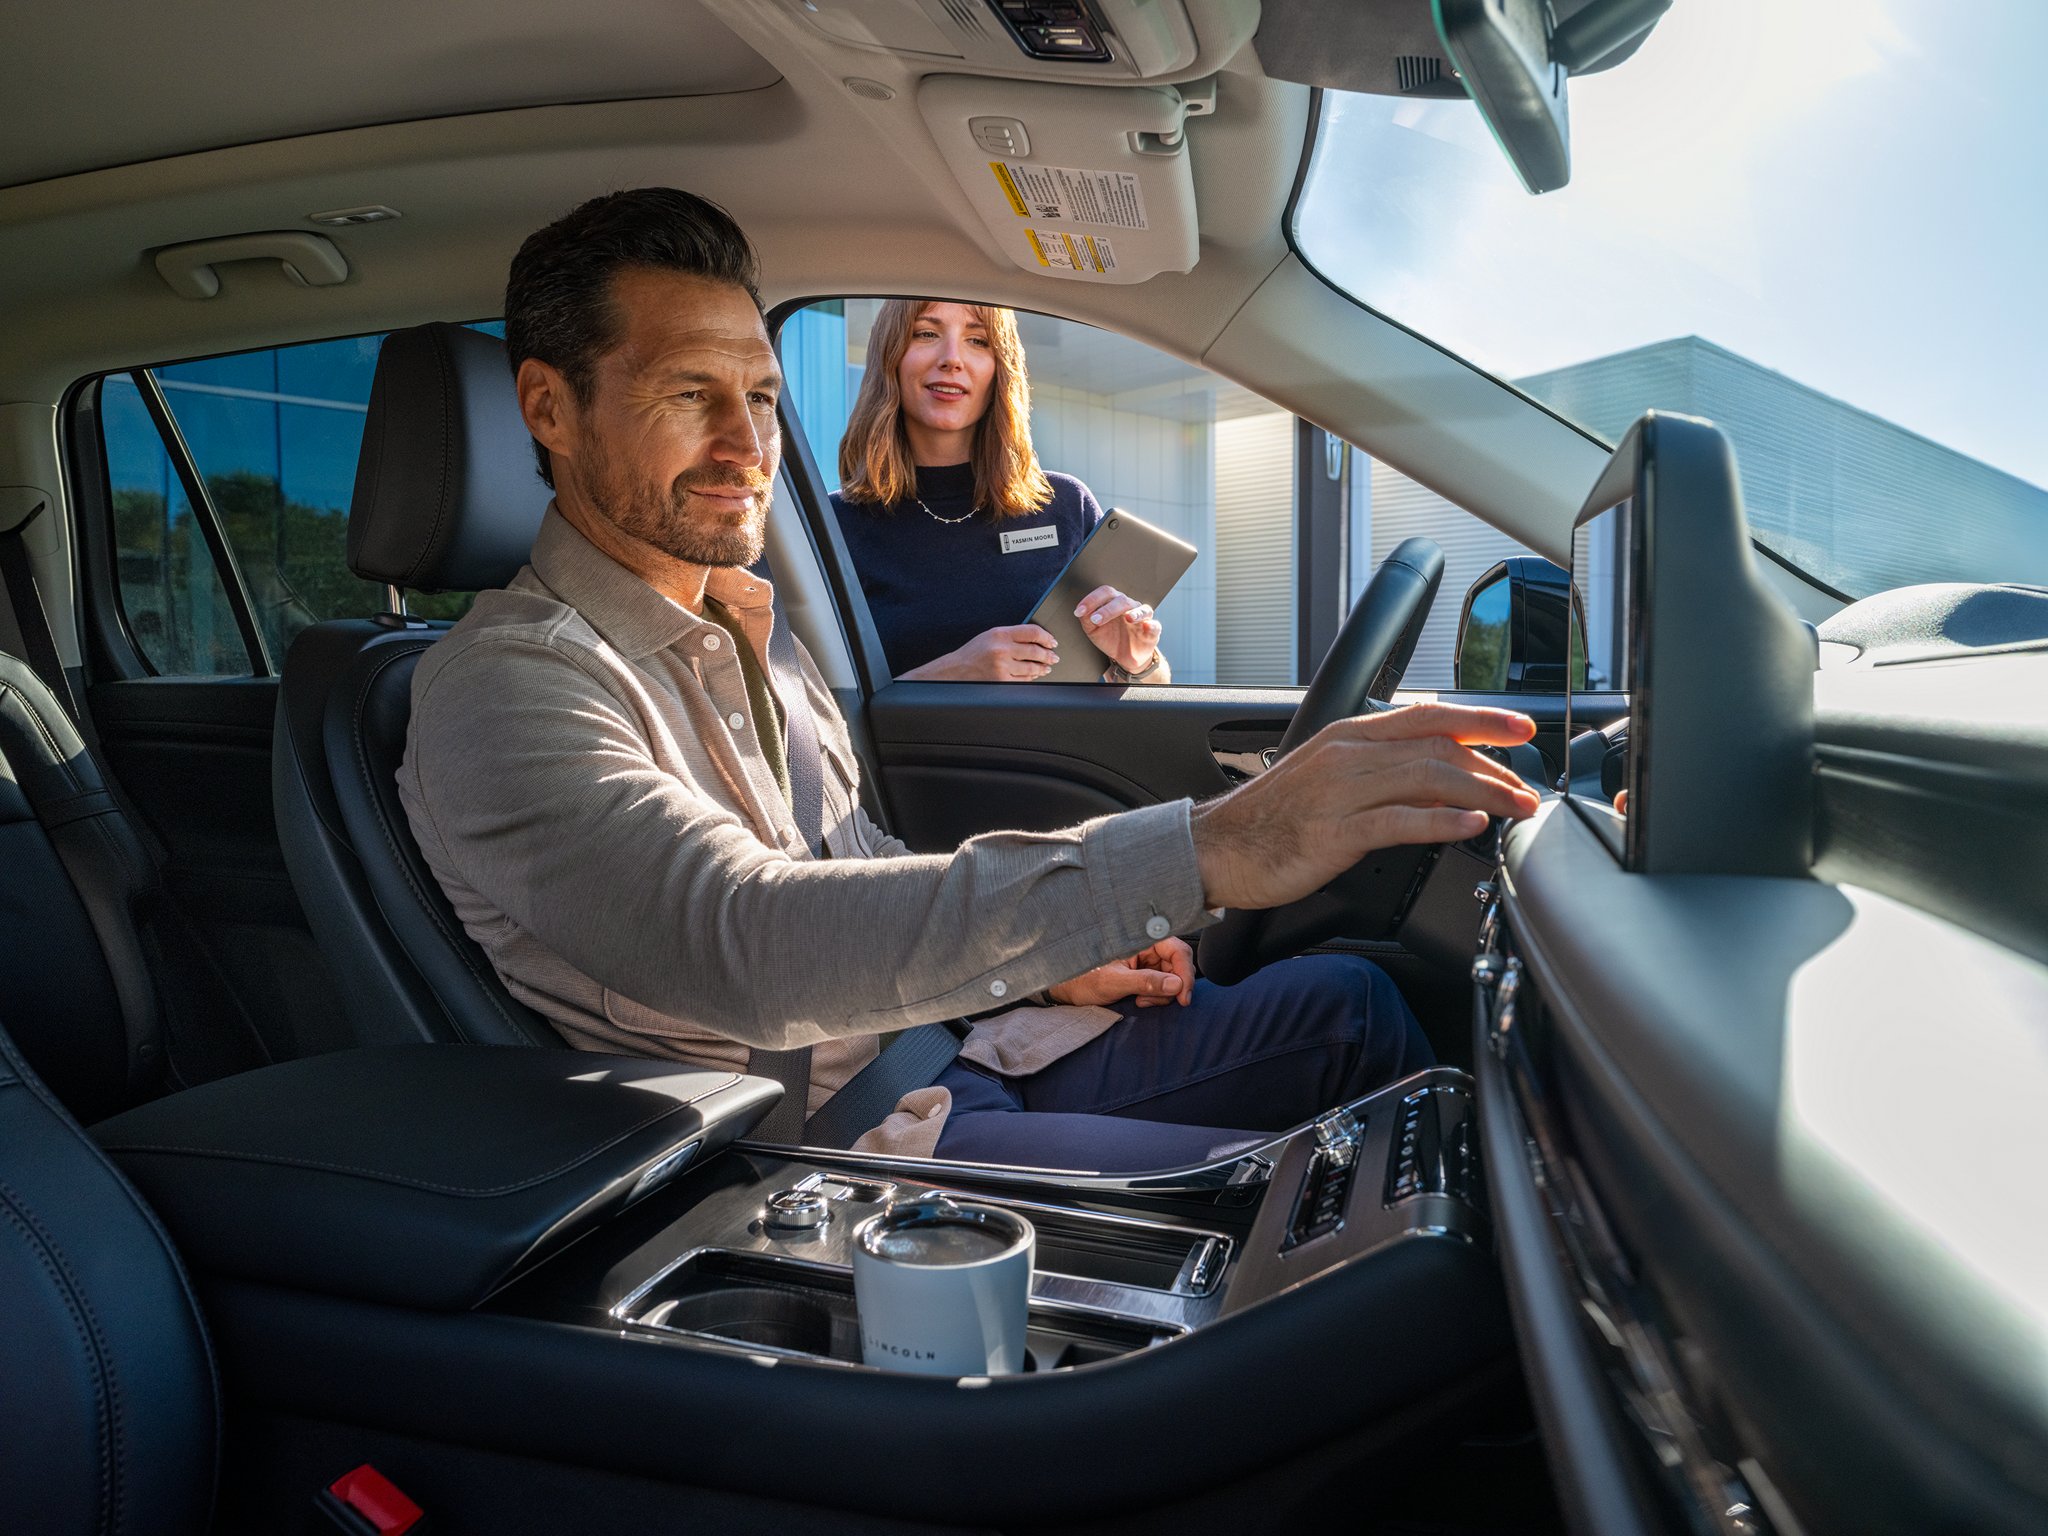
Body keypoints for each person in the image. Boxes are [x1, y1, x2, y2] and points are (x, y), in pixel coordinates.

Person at [399, 188, 1541, 1171]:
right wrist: (1210, 847)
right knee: (1348, 1205)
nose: (748, 448)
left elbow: (854, 861)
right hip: (832, 1143)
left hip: (950, 1044)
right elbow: (747, 938)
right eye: (687, 394)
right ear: (549, 408)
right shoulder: (504, 688)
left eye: (759, 397)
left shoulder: (748, 626)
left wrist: (1043, 973)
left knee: (1352, 1007)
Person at [831, 299, 1166, 684]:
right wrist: (955, 673)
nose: (952, 359)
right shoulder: (835, 525)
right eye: (926, 334)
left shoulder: (1066, 505)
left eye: (978, 340)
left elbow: (1155, 687)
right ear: (889, 358)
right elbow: (819, 709)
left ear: (1001, 368)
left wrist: (1138, 662)